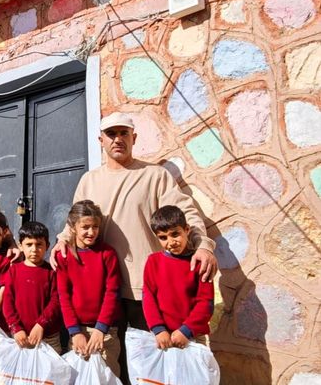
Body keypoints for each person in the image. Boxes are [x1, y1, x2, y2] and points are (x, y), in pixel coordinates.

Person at [50, 112, 217, 380]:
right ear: (100, 140)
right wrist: (61, 241)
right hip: (102, 293)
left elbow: (186, 213)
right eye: (111, 134)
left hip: (145, 293)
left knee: (151, 369)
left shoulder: (155, 176)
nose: (118, 139)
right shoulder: (89, 181)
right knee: (111, 368)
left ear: (133, 138)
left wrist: (204, 245)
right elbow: (74, 224)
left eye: (123, 133)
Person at [55, 200, 122, 377]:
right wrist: (75, 332)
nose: (91, 232)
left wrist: (101, 329)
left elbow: (112, 293)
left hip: (105, 333)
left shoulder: (107, 254)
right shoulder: (64, 256)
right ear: (73, 226)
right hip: (78, 332)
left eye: (95, 227)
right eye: (85, 227)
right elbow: (63, 295)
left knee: (108, 376)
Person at [143, 205, 214, 349]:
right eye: (163, 237)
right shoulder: (153, 262)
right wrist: (158, 329)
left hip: (192, 337)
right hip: (163, 338)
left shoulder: (199, 263)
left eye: (175, 234)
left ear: (187, 230)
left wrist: (186, 331)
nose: (171, 242)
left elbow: (206, 303)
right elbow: (148, 297)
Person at [2, 221, 62, 353]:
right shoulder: (14, 271)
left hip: (48, 337)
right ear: (20, 246)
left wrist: (41, 324)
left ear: (47, 246)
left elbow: (56, 301)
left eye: (39, 244)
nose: (34, 249)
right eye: (29, 245)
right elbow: (7, 302)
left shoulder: (52, 271)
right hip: (20, 337)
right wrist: (16, 328)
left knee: (50, 373)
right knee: (22, 373)